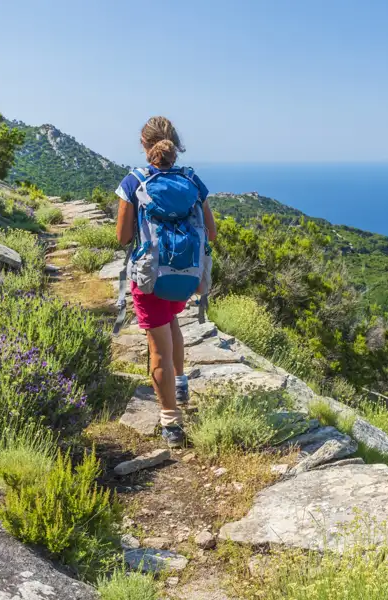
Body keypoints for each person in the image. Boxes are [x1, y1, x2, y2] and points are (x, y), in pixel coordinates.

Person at [115, 116, 217, 447]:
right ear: (175, 144)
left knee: (157, 346)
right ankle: (181, 380)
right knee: (171, 322)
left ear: (145, 145)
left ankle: (170, 422)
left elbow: (123, 237)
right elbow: (212, 233)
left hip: (149, 279)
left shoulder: (133, 182)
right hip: (185, 277)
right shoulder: (192, 180)